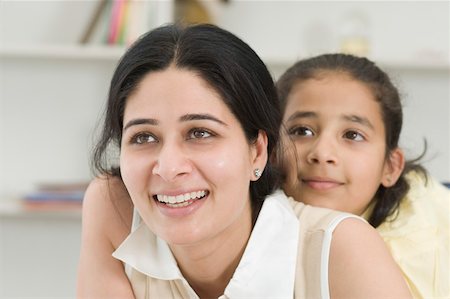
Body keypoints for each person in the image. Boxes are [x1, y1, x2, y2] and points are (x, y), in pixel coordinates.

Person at [77, 24, 411, 298]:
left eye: (200, 133)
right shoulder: (115, 206)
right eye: (144, 137)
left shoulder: (341, 249)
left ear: (258, 151)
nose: (168, 167)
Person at [276, 53, 449, 298]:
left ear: (390, 167)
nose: (322, 153)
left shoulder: (408, 257)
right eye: (302, 131)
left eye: (352, 135)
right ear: (269, 148)